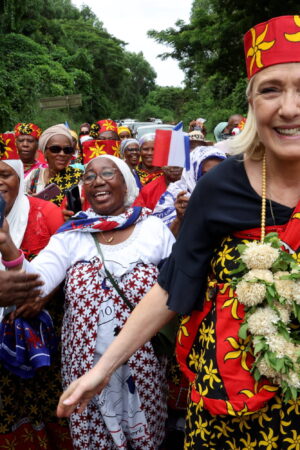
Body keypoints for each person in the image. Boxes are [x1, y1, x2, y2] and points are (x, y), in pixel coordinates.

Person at [56, 15, 300, 448]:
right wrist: (102, 369)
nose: (288, 108)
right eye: (271, 89)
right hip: (229, 403)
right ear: (251, 104)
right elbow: (173, 286)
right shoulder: (220, 186)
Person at [0, 155, 175, 449]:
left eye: (108, 173)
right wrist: (6, 244)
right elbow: (35, 284)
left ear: (126, 183)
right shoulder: (72, 235)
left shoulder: (153, 229)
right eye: (90, 176)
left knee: (146, 436)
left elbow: (177, 289)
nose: (98, 181)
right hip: (84, 371)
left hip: (142, 365)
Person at [0, 157, 73, 448]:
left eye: (5, 174)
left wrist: (43, 297)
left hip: (39, 335)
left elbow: (66, 261)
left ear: (19, 177)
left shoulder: (46, 212)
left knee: (41, 402)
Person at [153, 146, 226, 236]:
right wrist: (179, 219)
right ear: (192, 173)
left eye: (219, 172)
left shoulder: (232, 194)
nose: (214, 178)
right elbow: (162, 241)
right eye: (205, 174)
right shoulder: (175, 196)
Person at [25, 124, 83, 206]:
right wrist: (31, 201)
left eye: (67, 150)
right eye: (55, 149)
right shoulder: (34, 176)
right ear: (45, 152)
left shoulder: (78, 178)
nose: (62, 154)